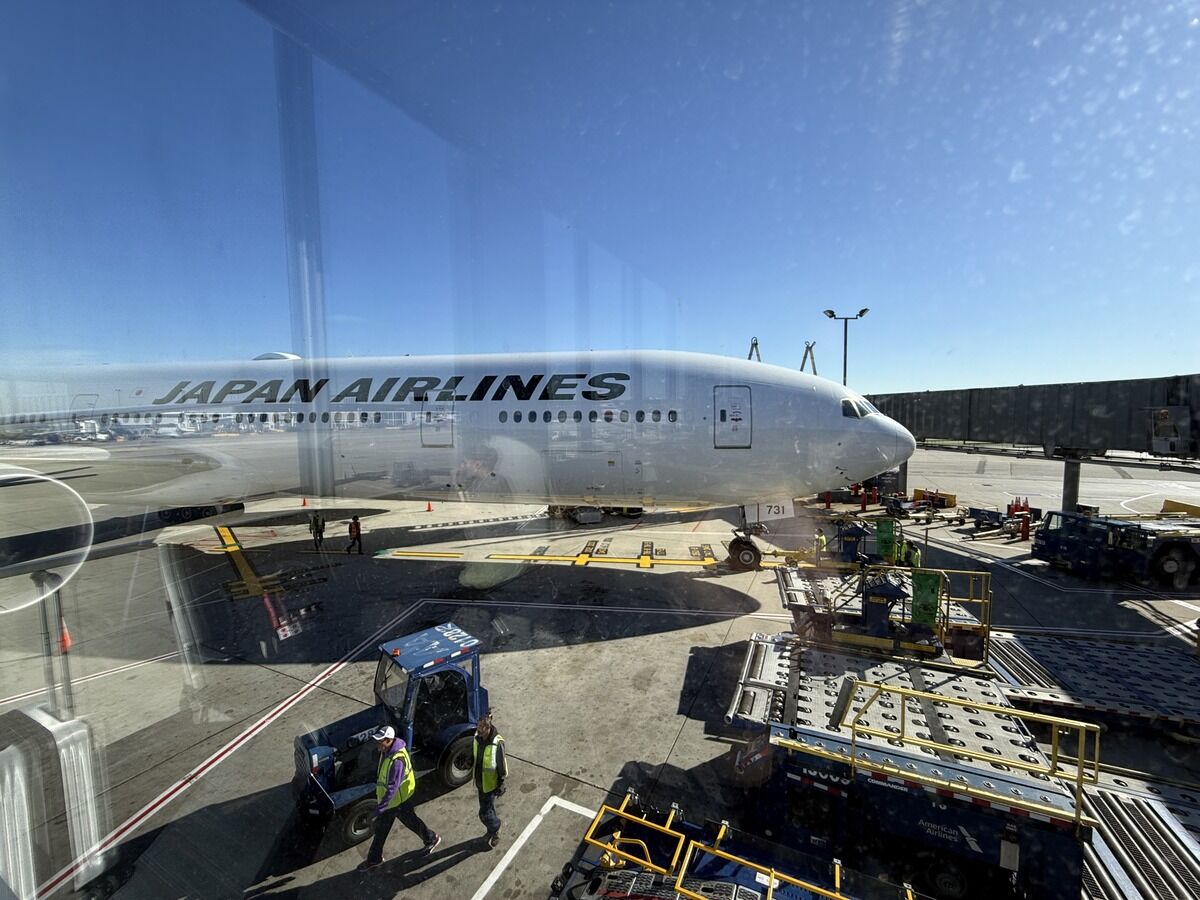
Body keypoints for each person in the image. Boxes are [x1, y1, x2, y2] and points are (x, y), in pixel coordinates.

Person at [358, 725, 441, 871]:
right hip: (395, 801)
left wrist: (379, 809)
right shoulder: (387, 752)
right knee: (393, 827)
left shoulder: (397, 760)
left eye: (380, 742)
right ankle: (430, 838)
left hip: (397, 801)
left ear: (389, 740)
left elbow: (392, 788)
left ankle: (431, 838)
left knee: (392, 827)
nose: (378, 745)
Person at [473, 711, 507, 849]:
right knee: (488, 810)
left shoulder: (497, 743)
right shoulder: (477, 738)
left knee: (484, 813)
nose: (479, 735)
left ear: (488, 727)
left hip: (491, 785)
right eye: (478, 732)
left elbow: (502, 766)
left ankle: (496, 828)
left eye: (482, 732)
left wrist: (501, 783)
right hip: (480, 782)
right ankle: (491, 830)